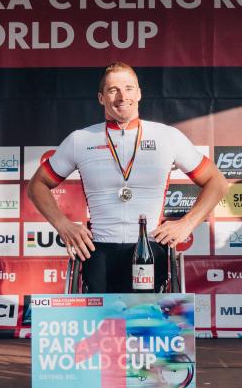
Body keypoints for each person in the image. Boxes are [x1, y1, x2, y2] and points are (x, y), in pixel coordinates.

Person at [28, 62, 228, 293]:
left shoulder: (167, 137)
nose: (122, 96)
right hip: (99, 249)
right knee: (101, 326)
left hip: (151, 246)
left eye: (129, 88)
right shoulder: (80, 139)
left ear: (139, 93)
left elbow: (217, 182)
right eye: (113, 90)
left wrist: (187, 223)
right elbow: (37, 185)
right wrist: (62, 224)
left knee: (148, 325)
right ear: (101, 98)